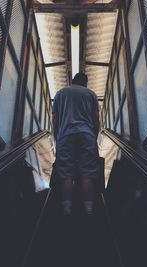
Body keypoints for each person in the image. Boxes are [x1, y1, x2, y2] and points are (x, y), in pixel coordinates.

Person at [52, 72, 99, 216]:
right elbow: (96, 118)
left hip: (65, 135)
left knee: (66, 173)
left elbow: (55, 118)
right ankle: (89, 209)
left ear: (72, 81)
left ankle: (67, 209)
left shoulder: (60, 94)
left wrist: (57, 136)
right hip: (87, 135)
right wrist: (94, 135)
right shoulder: (91, 94)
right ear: (85, 83)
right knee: (87, 173)